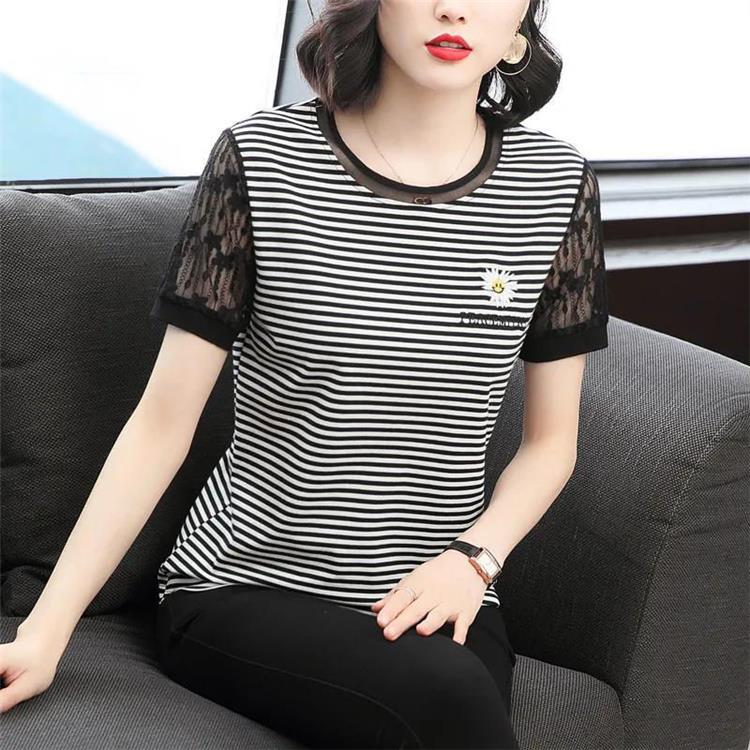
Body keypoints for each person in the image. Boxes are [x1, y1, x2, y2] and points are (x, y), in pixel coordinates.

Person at [0, 1, 610, 748]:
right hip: (242, 587)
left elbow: (551, 445)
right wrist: (46, 629)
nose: (454, 7)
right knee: (450, 699)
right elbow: (161, 427)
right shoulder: (261, 158)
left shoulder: (556, 184)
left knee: (453, 697)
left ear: (519, 27)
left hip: (441, 591)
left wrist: (474, 560)